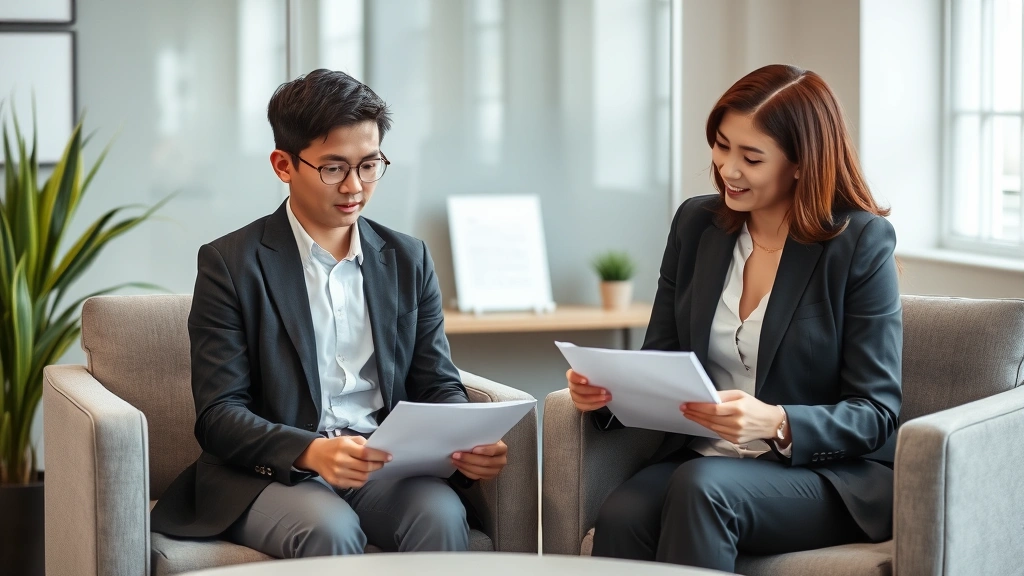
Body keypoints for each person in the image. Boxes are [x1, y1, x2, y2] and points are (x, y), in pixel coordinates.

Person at [151, 69, 509, 558]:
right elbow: (219, 415)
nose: (355, 187)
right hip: (275, 474)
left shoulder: (409, 259)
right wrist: (311, 450)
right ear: (283, 164)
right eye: (334, 168)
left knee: (443, 515)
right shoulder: (231, 265)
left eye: (369, 165)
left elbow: (437, 381)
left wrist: (467, 437)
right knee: (331, 528)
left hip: (382, 465)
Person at [565, 64, 902, 571]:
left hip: (820, 474)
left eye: (751, 157)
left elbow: (876, 413)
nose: (728, 169)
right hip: (702, 457)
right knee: (625, 512)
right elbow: (662, 358)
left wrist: (776, 421)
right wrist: (608, 395)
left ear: (799, 164)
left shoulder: (858, 243)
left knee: (703, 489)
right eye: (722, 146)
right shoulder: (697, 224)